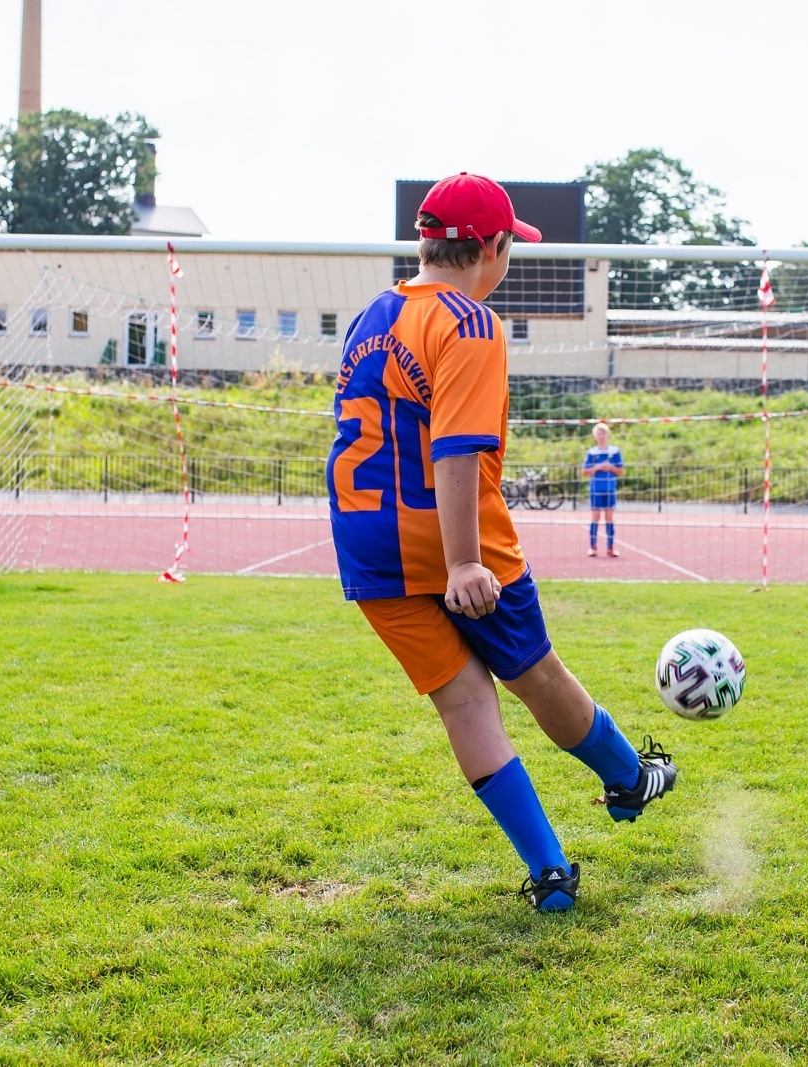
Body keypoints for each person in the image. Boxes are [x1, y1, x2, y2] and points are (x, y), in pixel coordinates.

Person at [326, 173, 678, 912]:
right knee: (536, 675)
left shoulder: (369, 317)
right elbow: (453, 450)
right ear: (489, 247)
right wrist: (461, 562)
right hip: (451, 539)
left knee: (463, 704)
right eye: (511, 243)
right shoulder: (469, 322)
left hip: (364, 541)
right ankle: (628, 777)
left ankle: (551, 871)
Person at [582, 422, 624, 557]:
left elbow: (620, 471)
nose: (601, 436)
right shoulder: (592, 452)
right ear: (595, 436)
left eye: (603, 433)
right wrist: (598, 467)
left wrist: (610, 467)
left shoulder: (615, 451)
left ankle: (610, 547)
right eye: (598, 434)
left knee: (609, 518)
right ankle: (593, 547)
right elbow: (584, 472)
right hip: (596, 489)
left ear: (608, 435)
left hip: (610, 489)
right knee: (595, 518)